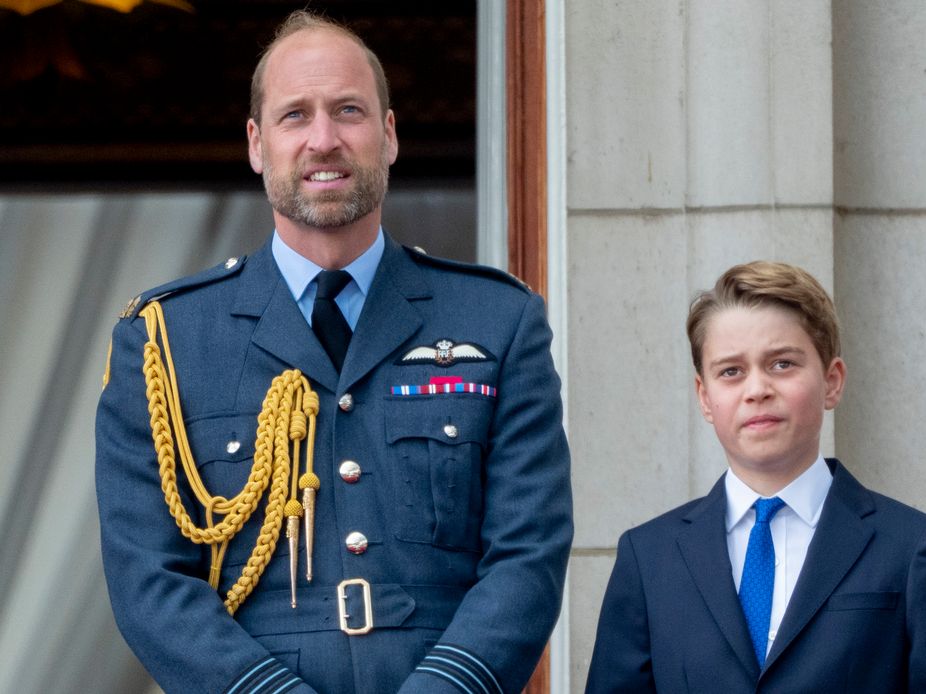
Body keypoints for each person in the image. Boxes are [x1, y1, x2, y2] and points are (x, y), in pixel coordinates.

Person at [95, 10, 572, 694]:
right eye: (296, 116)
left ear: (390, 134)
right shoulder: (166, 342)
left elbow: (528, 555)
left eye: (348, 111)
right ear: (258, 144)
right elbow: (148, 580)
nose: (324, 139)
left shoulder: (499, 320)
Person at [584, 261, 926, 693]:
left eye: (781, 364)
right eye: (731, 371)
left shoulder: (913, 549)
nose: (757, 388)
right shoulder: (649, 559)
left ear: (831, 381)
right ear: (705, 397)